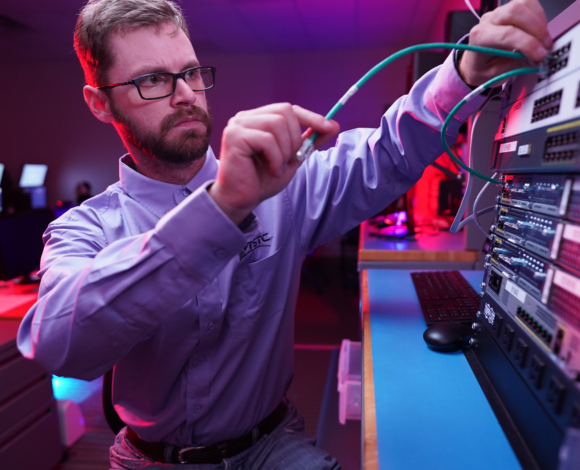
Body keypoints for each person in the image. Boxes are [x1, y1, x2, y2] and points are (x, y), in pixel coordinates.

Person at [17, 0, 552, 468]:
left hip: (271, 445)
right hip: (152, 460)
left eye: (191, 72)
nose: (184, 95)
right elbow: (60, 345)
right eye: (152, 80)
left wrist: (462, 72)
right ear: (100, 102)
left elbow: (387, 152)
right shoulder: (85, 227)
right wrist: (222, 209)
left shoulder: (279, 185)